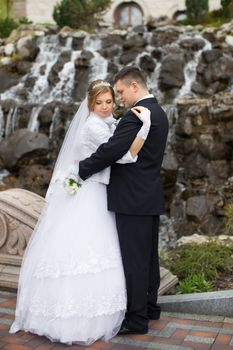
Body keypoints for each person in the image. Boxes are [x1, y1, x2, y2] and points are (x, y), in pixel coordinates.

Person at [9, 79, 151, 345]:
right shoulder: (93, 128)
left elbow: (114, 131)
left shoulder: (107, 122)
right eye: (99, 103)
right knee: (85, 249)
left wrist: (122, 124)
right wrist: (144, 127)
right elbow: (124, 156)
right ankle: (72, 317)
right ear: (90, 104)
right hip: (91, 194)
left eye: (109, 101)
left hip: (99, 190)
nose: (106, 107)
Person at [79, 67, 169, 335]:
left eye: (119, 92)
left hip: (131, 199)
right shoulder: (159, 112)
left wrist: (81, 170)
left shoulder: (135, 116)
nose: (118, 99)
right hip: (149, 195)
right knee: (149, 259)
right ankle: (151, 309)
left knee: (135, 262)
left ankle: (137, 320)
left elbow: (113, 150)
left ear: (133, 86)